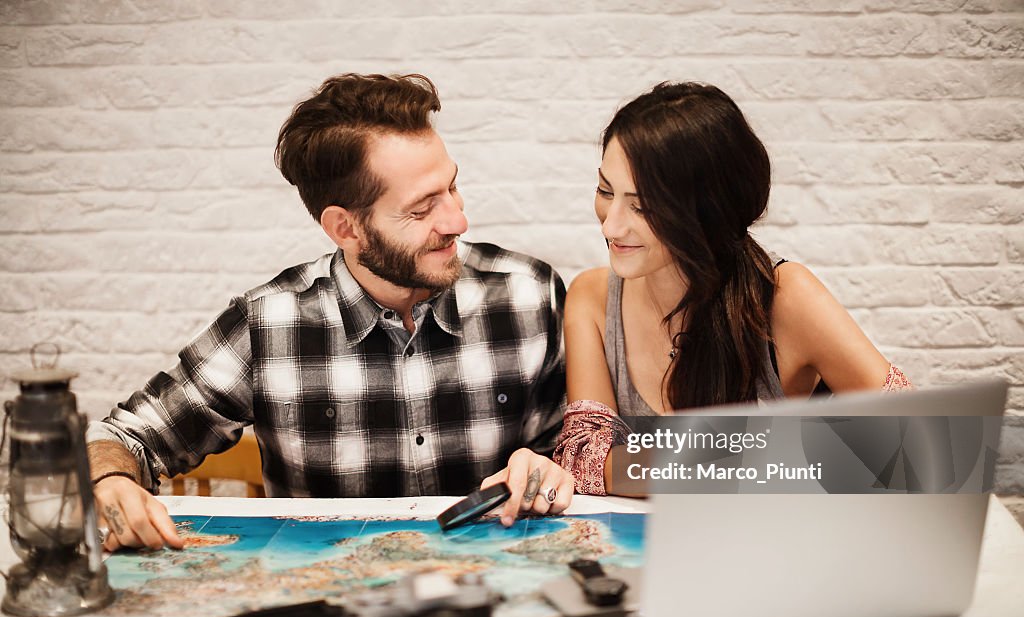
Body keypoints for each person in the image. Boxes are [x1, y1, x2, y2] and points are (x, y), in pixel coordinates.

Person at [87, 73, 571, 551]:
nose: (457, 220)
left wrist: (555, 466)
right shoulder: (268, 325)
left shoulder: (530, 295)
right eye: (421, 210)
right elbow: (124, 437)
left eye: (452, 187)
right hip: (329, 603)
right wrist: (110, 482)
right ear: (346, 227)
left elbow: (589, 449)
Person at [554, 81, 912, 496]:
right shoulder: (592, 298)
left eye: (642, 205)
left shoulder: (785, 296)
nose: (610, 225)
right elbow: (581, 459)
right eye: (605, 190)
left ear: (708, 211)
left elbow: (917, 444)